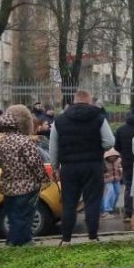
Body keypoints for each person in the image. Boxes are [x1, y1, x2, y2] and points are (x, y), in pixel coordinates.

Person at [51, 90, 115, 244]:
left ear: (74, 101)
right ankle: (92, 236)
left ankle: (66, 239)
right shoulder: (98, 117)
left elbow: (53, 147)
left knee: (69, 203)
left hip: (69, 167)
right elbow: (109, 142)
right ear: (89, 101)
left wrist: (55, 167)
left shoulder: (59, 120)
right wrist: (98, 148)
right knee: (92, 201)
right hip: (93, 165)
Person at [0, 105, 49, 246]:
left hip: (7, 186)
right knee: (25, 215)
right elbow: (35, 163)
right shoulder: (25, 142)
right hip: (27, 186)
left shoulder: (1, 142)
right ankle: (20, 243)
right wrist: (44, 179)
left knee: (13, 216)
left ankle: (14, 240)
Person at [114, 106, 134, 224]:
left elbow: (116, 147)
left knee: (128, 187)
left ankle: (128, 213)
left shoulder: (121, 129)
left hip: (127, 162)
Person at [101, 148, 122, 219]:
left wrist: (121, 170)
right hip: (107, 179)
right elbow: (102, 169)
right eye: (111, 156)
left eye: (114, 156)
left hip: (117, 179)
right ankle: (106, 209)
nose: (112, 158)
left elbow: (121, 166)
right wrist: (104, 173)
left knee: (117, 192)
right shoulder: (104, 161)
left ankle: (111, 207)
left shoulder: (119, 160)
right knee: (111, 191)